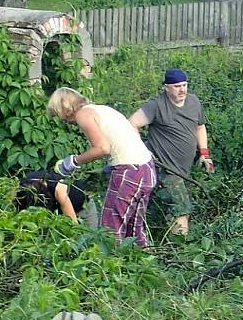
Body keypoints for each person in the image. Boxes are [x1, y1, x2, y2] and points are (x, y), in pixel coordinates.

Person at [47, 87, 157, 247]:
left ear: (64, 107)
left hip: (129, 172)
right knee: (133, 231)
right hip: (146, 169)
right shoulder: (99, 109)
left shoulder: (83, 115)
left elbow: (102, 148)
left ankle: (110, 268)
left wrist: (73, 162)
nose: (61, 119)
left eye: (58, 113)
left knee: (109, 228)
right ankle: (143, 266)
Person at [129, 68, 213, 237]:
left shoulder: (194, 102)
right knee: (182, 207)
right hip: (166, 168)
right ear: (166, 88)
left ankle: (149, 237)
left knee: (164, 207)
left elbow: (200, 126)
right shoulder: (157, 105)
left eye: (184, 85)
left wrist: (204, 154)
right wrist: (142, 152)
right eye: (176, 86)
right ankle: (181, 251)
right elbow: (131, 123)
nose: (182, 90)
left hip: (184, 169)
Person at [14, 170, 98, 227]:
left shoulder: (59, 190)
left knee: (88, 239)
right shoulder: (23, 187)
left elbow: (73, 226)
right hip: (58, 211)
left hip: (82, 207)